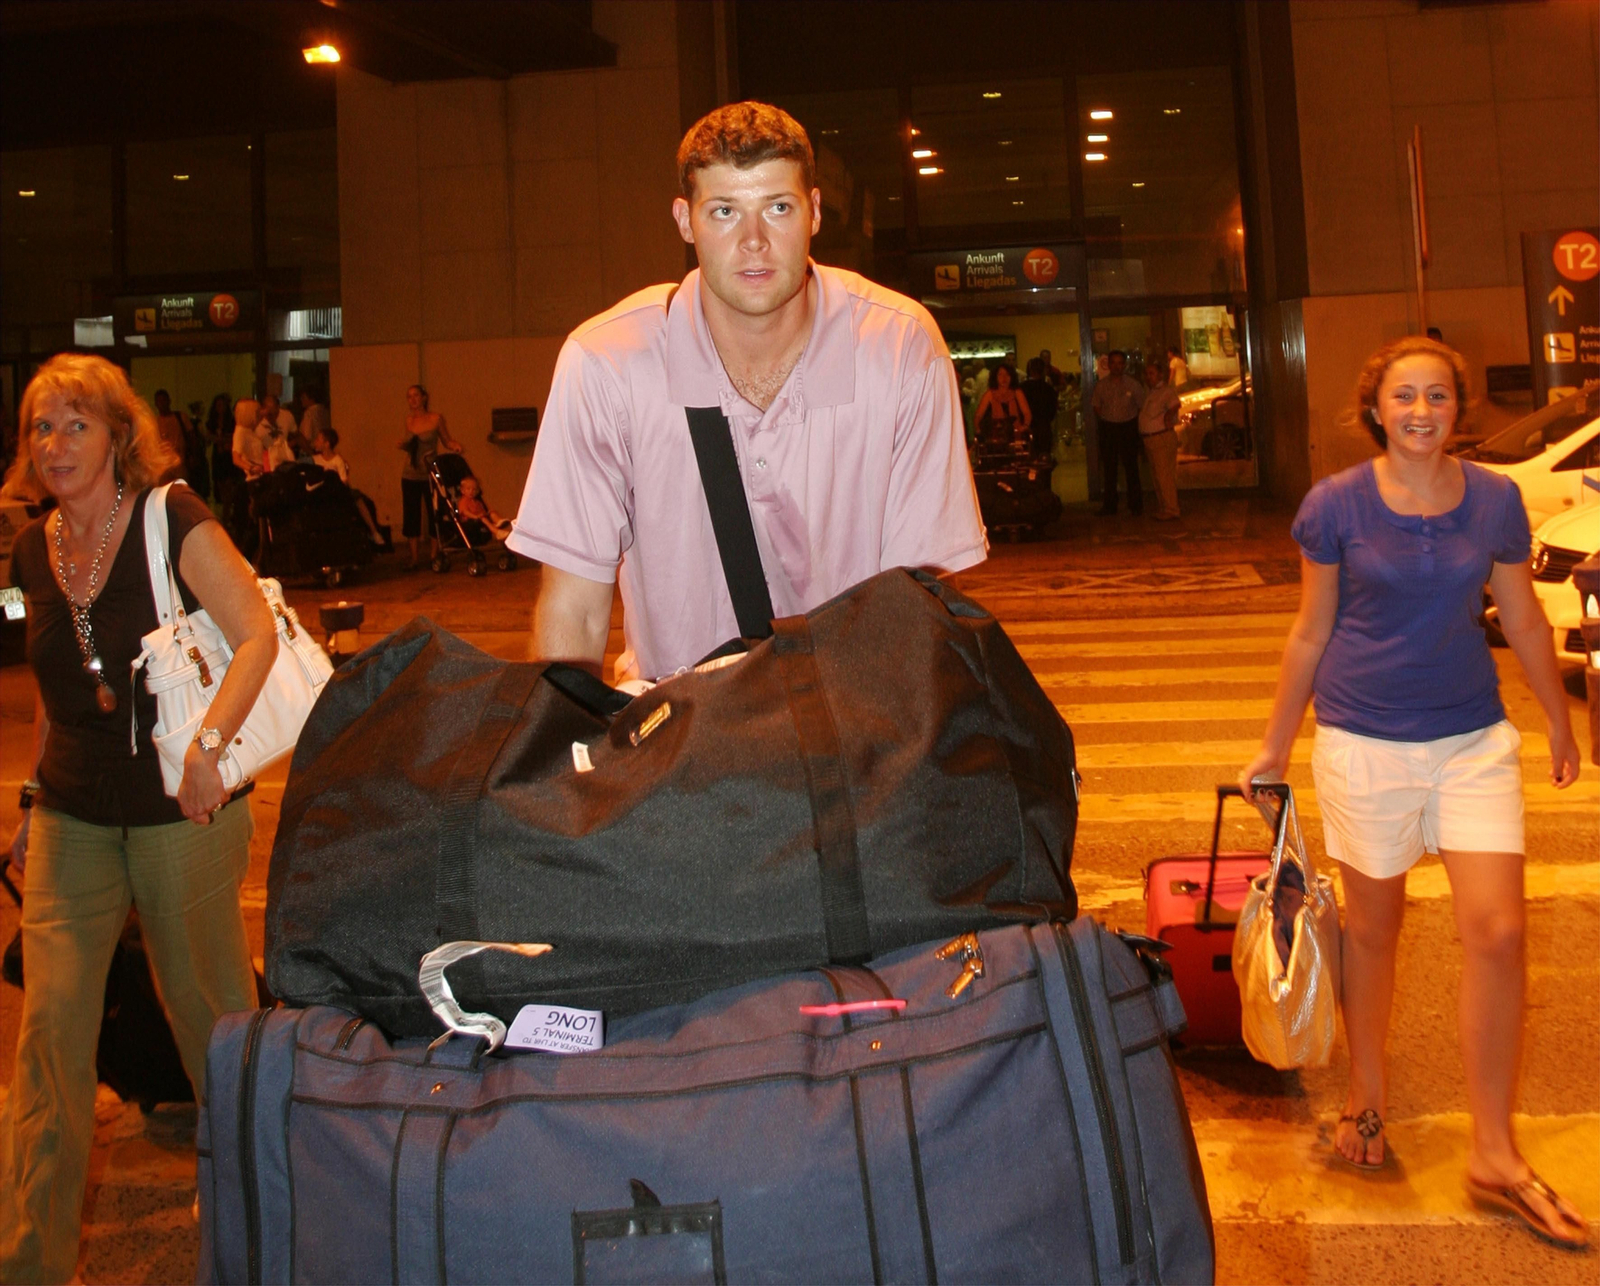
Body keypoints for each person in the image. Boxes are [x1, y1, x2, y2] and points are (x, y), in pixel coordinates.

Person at [1239, 337, 1587, 1251]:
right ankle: (1366, 1098)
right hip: (1365, 744)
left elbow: (1520, 615)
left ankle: (1496, 1153)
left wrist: (1560, 721)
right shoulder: (1336, 505)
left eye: (1437, 395)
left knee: (1499, 934)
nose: (1422, 410)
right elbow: (1310, 631)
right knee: (1372, 931)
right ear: (1376, 409)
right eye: (1405, 396)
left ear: (1456, 408)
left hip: (1472, 739)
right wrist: (1275, 744)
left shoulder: (1496, 499)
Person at [508, 101, 985, 683]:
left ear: (814, 212)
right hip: (683, 719)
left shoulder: (900, 347)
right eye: (725, 211)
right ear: (685, 221)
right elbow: (574, 612)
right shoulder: (606, 364)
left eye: (778, 207)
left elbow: (920, 606)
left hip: (854, 716)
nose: (753, 241)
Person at [0, 353, 277, 1281]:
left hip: (180, 814)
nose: (55, 443)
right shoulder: (31, 550)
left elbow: (256, 635)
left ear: (119, 435)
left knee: (209, 1023)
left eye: (77, 424)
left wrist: (207, 752)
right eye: (42, 426)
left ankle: (263, 1231)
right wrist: (32, 799)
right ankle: (29, 1265)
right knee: (48, 1041)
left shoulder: (173, 517)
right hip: (72, 815)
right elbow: (51, 692)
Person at [398, 384, 462, 570]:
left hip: (430, 472)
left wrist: (455, 445)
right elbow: (411, 447)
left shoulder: (435, 418)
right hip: (410, 473)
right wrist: (403, 445)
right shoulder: (409, 420)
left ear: (424, 397)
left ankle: (434, 553)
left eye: (416, 395)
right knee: (411, 514)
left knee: (434, 512)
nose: (413, 400)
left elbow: (446, 440)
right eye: (409, 396)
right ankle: (414, 557)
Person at [1091, 350, 1146, 516]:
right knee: (1109, 468)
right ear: (1108, 365)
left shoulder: (1133, 385)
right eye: (1113, 363)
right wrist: (1107, 418)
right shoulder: (1101, 385)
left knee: (1131, 467)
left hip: (1128, 427)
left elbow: (1141, 405)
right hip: (1109, 428)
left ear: (1124, 365)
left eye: (1120, 363)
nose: (1117, 366)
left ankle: (1135, 505)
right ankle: (1110, 505)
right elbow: (1096, 405)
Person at [1139, 360, 1183, 520]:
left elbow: (1175, 405)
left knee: (1164, 475)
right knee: (1157, 476)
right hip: (1151, 438)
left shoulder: (1166, 391)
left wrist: (1167, 417)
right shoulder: (1151, 392)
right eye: (1146, 374)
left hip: (1161, 437)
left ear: (1160, 375)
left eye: (1151, 373)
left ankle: (1171, 509)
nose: (1148, 377)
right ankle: (1164, 507)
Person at [974, 361, 1032, 447]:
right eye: (1000, 375)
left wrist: (1025, 426)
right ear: (995, 377)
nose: (1004, 378)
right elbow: (978, 415)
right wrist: (978, 428)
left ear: (1012, 377)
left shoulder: (1017, 392)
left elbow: (1027, 413)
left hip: (1016, 435)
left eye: (1007, 375)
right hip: (995, 436)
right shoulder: (990, 394)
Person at [1020, 357, 1059, 458]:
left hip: (1026, 429)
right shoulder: (1048, 389)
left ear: (1030, 370)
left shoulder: (1022, 388)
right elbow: (1053, 411)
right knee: (1044, 459)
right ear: (1043, 371)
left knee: (1028, 458)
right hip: (1044, 429)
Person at [456, 474, 511, 542]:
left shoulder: (477, 502)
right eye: (468, 489)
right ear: (462, 491)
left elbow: (482, 511)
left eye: (474, 489)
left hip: (479, 518)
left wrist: (486, 514)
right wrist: (475, 516)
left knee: (491, 512)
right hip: (469, 520)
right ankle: (497, 532)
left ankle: (497, 521)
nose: (471, 491)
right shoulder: (464, 501)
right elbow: (465, 512)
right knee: (483, 518)